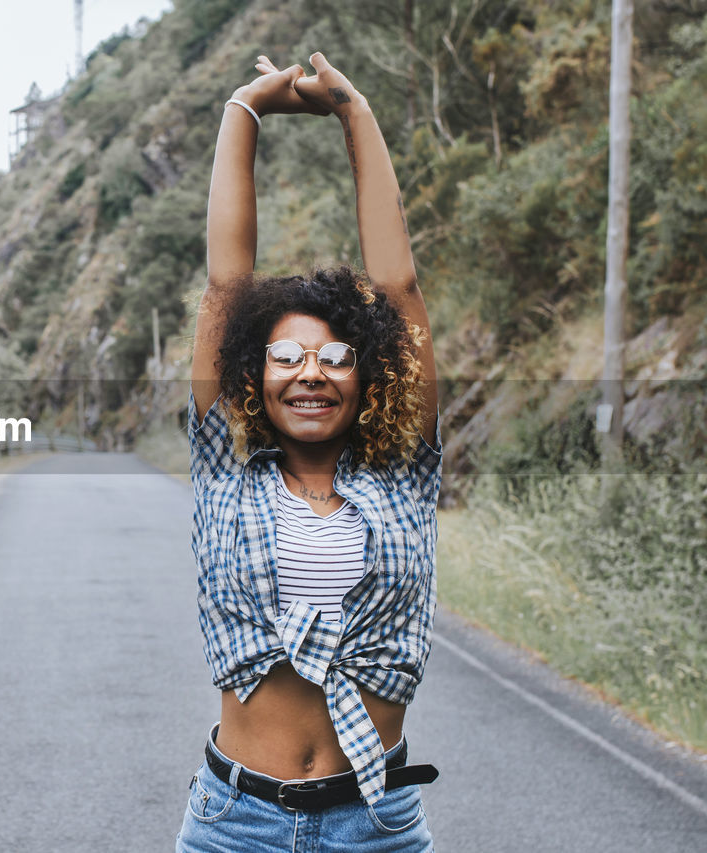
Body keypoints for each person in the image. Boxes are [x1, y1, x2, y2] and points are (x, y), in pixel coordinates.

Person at [179, 52, 443, 851]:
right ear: (253, 377)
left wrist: (353, 111)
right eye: (287, 358)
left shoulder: (404, 474)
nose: (311, 374)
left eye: (334, 358)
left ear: (368, 375)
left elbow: (398, 291)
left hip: (377, 822)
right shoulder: (226, 476)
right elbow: (228, 286)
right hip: (236, 822)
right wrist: (242, 112)